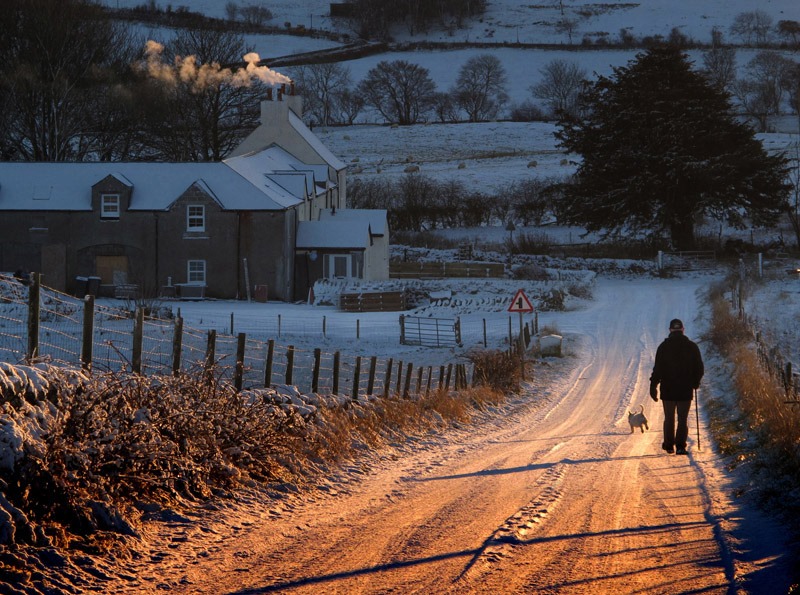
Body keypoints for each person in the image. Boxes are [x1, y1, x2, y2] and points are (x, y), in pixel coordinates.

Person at [650, 318, 704, 455]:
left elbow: (658, 369)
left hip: (667, 390)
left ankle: (669, 445)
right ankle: (680, 446)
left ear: (670, 330)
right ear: (683, 330)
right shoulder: (692, 347)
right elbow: (699, 367)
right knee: (682, 418)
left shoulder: (663, 347)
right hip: (685, 390)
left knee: (669, 418)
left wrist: (653, 385)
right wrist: (695, 382)